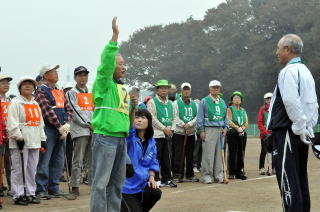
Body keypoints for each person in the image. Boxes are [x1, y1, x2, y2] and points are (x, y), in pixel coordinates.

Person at [90, 17, 137, 212]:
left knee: (116, 185)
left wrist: (133, 107)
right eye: (120, 63)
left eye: (124, 63)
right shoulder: (103, 83)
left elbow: (127, 119)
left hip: (120, 139)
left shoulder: (122, 89)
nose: (123, 66)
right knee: (100, 184)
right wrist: (114, 38)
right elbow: (105, 66)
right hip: (105, 138)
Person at [267, 34, 318, 212]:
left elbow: (291, 102)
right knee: (299, 178)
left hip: (288, 132)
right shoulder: (306, 71)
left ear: (288, 49)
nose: (277, 53)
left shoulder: (288, 71)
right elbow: (312, 104)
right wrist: (307, 128)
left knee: (288, 180)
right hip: (299, 133)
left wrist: (298, 127)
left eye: (278, 48)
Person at [35, 65, 73, 199]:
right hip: (48, 129)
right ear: (45, 75)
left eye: (56, 71)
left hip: (62, 129)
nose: (56, 73)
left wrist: (67, 124)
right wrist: (59, 126)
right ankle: (41, 188)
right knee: (45, 159)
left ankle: (54, 187)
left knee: (58, 159)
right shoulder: (41, 90)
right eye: (52, 71)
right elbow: (46, 110)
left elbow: (68, 108)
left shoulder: (59, 91)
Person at [7, 76, 47, 205]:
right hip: (20, 142)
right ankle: (18, 194)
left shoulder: (35, 104)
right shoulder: (16, 103)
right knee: (18, 169)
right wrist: (18, 137)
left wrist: (43, 139)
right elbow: (12, 123)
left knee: (31, 169)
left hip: (34, 141)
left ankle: (30, 193)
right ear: (19, 88)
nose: (28, 86)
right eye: (24, 84)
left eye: (30, 84)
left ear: (34, 87)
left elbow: (40, 123)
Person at [121, 109, 161, 212]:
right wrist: (133, 107)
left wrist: (152, 177)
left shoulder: (151, 142)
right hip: (126, 187)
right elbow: (129, 127)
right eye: (136, 117)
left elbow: (153, 161)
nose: (139, 120)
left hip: (141, 185)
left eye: (143, 117)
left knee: (155, 192)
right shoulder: (130, 137)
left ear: (149, 121)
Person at [67, 66, 93, 196]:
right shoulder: (72, 92)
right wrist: (89, 124)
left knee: (91, 159)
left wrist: (95, 124)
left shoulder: (90, 92)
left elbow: (95, 109)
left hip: (93, 129)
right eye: (80, 75)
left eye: (85, 75)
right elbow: (75, 111)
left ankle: (91, 183)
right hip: (80, 130)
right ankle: (75, 186)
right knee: (78, 159)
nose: (83, 77)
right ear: (75, 78)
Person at [197, 80, 229, 184]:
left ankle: (218, 175)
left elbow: (226, 116)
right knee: (208, 155)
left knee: (219, 155)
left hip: (220, 130)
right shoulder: (204, 101)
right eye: (214, 87)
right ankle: (207, 176)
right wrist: (201, 130)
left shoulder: (222, 101)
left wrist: (226, 127)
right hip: (209, 130)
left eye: (217, 87)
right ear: (210, 88)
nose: (216, 89)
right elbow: (200, 117)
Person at [147, 80, 177, 188]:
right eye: (161, 88)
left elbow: (174, 117)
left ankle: (167, 179)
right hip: (156, 134)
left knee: (167, 157)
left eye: (166, 88)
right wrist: (164, 129)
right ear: (157, 90)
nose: (164, 90)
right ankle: (155, 179)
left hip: (168, 134)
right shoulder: (152, 102)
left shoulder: (171, 103)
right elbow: (152, 119)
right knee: (156, 157)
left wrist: (172, 129)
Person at [172, 83, 198, 182]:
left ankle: (190, 175)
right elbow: (175, 116)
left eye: (188, 89)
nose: (186, 91)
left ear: (190, 91)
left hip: (190, 133)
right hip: (179, 133)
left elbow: (197, 117)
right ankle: (178, 174)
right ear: (181, 91)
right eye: (184, 89)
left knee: (190, 154)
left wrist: (190, 124)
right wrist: (183, 125)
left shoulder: (195, 104)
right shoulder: (176, 103)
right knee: (178, 154)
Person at [227, 91, 248, 180]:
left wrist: (243, 127)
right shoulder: (230, 109)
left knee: (241, 152)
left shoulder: (243, 110)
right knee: (232, 152)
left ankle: (239, 171)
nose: (237, 99)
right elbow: (229, 120)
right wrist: (236, 127)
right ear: (232, 100)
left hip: (242, 132)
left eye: (239, 98)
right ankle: (231, 172)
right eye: (235, 98)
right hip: (232, 132)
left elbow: (246, 121)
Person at [0, 74, 13, 196]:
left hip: (11, 135)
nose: (6, 85)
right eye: (3, 82)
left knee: (11, 162)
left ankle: (11, 187)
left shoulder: (11, 100)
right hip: (0, 135)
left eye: (7, 83)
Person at [257, 92, 274, 175]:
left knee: (275, 151)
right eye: (267, 99)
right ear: (265, 100)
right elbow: (260, 123)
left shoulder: (275, 108)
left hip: (274, 134)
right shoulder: (262, 109)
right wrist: (265, 133)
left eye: (270, 98)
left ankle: (274, 168)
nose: (269, 100)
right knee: (264, 151)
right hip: (265, 135)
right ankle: (261, 168)